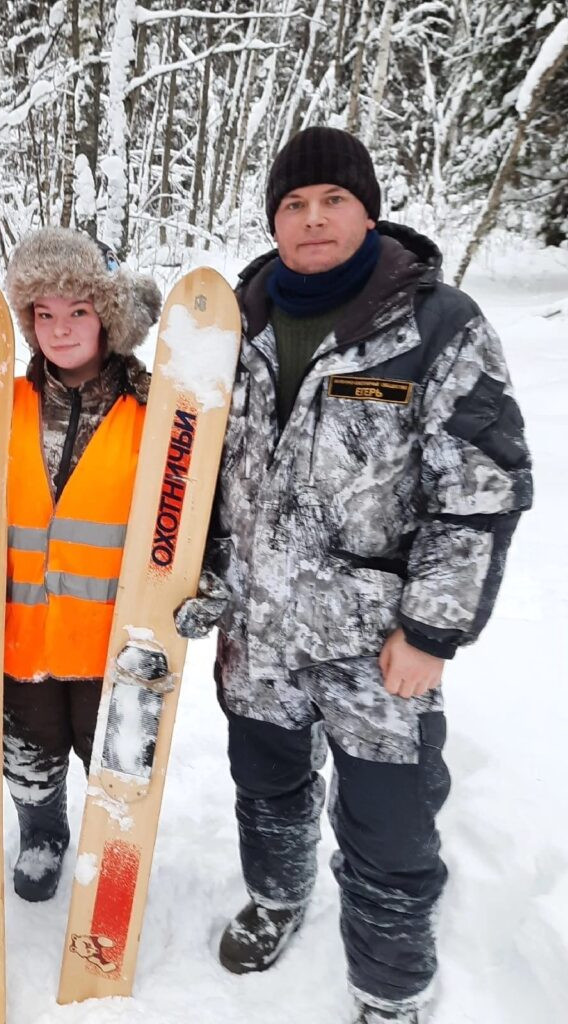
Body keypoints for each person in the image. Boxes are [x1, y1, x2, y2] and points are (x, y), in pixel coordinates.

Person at [175, 127, 532, 1023]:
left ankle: (388, 988)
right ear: (273, 221)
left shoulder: (436, 326)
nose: (313, 218)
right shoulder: (233, 324)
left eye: (333, 200)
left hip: (377, 648)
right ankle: (279, 896)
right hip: (256, 633)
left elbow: (479, 492)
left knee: (390, 828)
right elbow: (198, 473)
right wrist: (202, 577)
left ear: (369, 211)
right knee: (266, 788)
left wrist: (432, 632)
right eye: (293, 205)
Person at [0, 227, 161, 901]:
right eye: (44, 314)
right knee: (28, 749)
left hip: (111, 639)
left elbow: (182, 516)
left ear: (107, 316)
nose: (60, 329)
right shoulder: (5, 403)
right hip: (23, 627)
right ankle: (43, 831)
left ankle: (115, 841)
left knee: (114, 759)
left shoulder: (151, 412)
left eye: (78, 311)